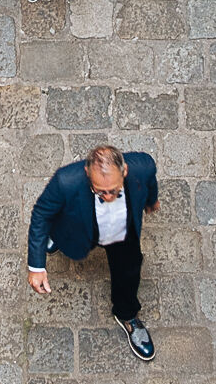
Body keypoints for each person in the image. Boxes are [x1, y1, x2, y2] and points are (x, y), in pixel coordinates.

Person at [27, 141, 157, 362]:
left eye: (113, 191)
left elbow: (149, 182)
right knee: (64, 230)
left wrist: (152, 200)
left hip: (122, 234)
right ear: (87, 174)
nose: (107, 197)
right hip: (80, 226)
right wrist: (36, 266)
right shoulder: (65, 181)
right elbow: (41, 215)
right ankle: (58, 239)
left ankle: (126, 315)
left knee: (129, 272)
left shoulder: (143, 166)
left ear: (124, 171)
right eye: (100, 191)